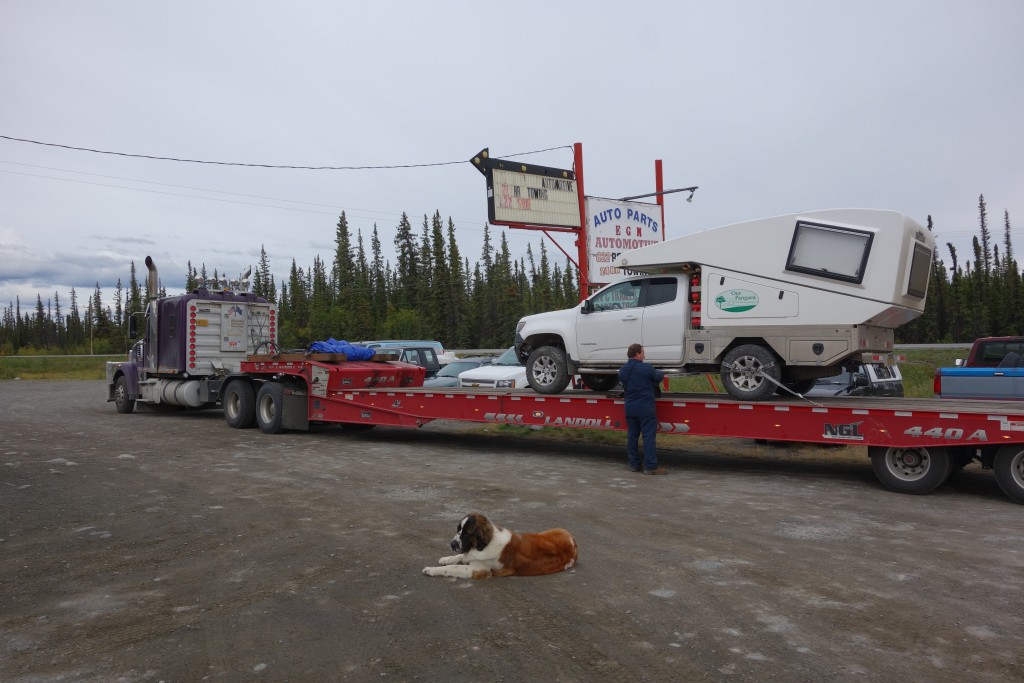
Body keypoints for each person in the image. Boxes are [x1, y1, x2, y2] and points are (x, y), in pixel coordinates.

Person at [618, 343, 667, 475]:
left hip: (630, 407)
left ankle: (634, 465)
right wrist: (660, 372)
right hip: (645, 408)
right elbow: (658, 376)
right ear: (637, 354)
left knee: (632, 436)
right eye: (643, 352)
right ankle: (650, 467)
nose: (644, 355)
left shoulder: (622, 371)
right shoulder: (646, 368)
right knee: (648, 436)